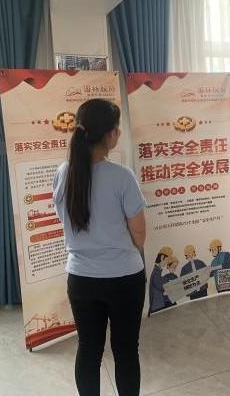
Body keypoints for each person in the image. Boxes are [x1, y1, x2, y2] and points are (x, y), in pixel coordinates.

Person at [53, 99, 147, 396]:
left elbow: (65, 219)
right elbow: (140, 236)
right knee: (126, 350)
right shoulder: (122, 176)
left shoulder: (63, 173)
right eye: (117, 128)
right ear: (109, 134)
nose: (119, 133)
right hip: (124, 279)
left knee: (88, 349)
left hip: (81, 278)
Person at [149, 246, 173, 314]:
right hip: (157, 308)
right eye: (167, 260)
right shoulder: (156, 273)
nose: (166, 263)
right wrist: (169, 281)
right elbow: (162, 286)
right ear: (162, 257)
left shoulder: (157, 271)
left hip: (158, 306)